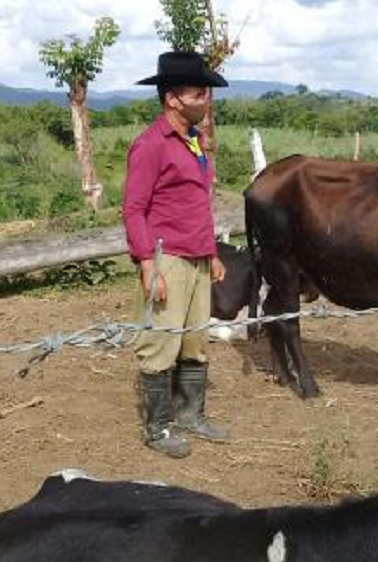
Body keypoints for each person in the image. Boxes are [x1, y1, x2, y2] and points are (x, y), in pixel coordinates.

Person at [123, 51, 230, 458]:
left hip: (198, 257)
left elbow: (195, 204)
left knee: (195, 342)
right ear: (173, 98)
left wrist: (212, 252)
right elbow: (134, 209)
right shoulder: (150, 146)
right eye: (200, 92)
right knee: (160, 344)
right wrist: (149, 266)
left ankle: (191, 415)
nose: (206, 99)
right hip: (167, 258)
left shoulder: (195, 142)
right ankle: (157, 428)